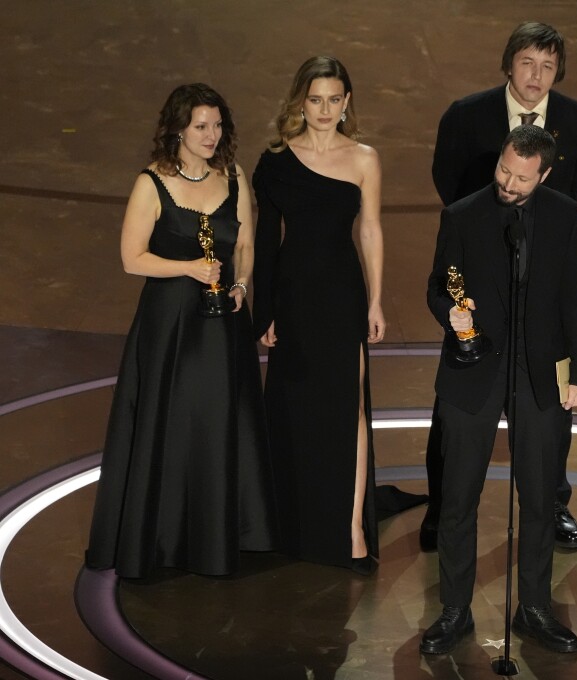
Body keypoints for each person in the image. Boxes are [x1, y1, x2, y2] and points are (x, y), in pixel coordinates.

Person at [422, 21, 577, 553]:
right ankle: (445, 505)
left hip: (544, 276)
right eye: (528, 63)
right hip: (478, 281)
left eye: (548, 66)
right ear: (509, 64)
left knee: (549, 410)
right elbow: (448, 181)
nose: (536, 75)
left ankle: (554, 501)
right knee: (461, 399)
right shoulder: (466, 115)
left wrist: (545, 232)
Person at [86, 84, 277, 578]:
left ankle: (219, 539)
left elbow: (247, 245)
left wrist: (238, 283)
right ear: (177, 129)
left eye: (217, 125)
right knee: (169, 424)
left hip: (222, 328)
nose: (212, 135)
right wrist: (190, 267)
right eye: (201, 127)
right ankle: (163, 542)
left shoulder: (233, 175)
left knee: (218, 424)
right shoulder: (151, 183)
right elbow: (132, 259)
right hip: (171, 325)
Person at [419, 125, 577, 655]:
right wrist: (451, 316)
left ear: (544, 174)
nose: (509, 184)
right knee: (457, 498)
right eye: (503, 171)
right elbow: (437, 287)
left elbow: (574, 297)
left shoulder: (564, 215)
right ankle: (454, 610)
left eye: (521, 178)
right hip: (474, 369)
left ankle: (534, 609)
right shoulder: (462, 215)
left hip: (539, 372)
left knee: (540, 499)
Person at [252, 56, 384, 574]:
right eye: (315, 99)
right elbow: (265, 240)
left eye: (334, 99)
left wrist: (375, 300)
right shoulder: (276, 161)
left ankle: (351, 527)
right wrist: (266, 308)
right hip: (292, 295)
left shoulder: (364, 159)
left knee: (347, 407)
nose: (325, 110)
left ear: (346, 101)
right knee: (293, 407)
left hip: (341, 295)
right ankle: (294, 522)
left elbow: (370, 230)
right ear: (299, 102)